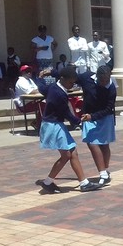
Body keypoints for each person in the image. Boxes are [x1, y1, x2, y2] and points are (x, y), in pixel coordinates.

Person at [36, 66, 102, 194]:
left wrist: (39, 78)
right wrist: (80, 121)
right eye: (70, 82)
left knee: (72, 152)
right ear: (62, 79)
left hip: (54, 124)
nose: (72, 85)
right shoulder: (59, 94)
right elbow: (66, 113)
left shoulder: (53, 88)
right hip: (53, 125)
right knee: (66, 154)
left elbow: (42, 88)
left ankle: (83, 182)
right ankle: (48, 182)